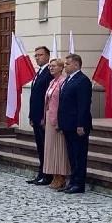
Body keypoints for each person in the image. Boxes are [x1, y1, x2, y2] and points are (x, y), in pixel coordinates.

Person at [58, 54, 92, 194]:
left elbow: (83, 105)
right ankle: (72, 181)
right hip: (67, 124)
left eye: (67, 64)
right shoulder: (68, 80)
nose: (65, 66)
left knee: (79, 154)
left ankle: (79, 183)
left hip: (77, 125)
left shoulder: (82, 80)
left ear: (76, 65)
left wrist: (80, 124)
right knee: (72, 155)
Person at [41, 58, 71, 190]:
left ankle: (61, 175)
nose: (51, 68)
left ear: (60, 67)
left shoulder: (63, 81)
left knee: (59, 149)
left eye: (53, 66)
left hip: (58, 119)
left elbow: (63, 103)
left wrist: (60, 120)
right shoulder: (52, 81)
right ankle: (53, 174)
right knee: (50, 148)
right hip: (49, 118)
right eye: (50, 67)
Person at [26, 46, 54, 185]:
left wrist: (43, 116)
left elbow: (47, 98)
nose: (37, 58)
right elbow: (34, 97)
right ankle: (41, 173)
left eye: (40, 55)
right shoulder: (39, 73)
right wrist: (31, 116)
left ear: (48, 56)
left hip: (43, 117)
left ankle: (47, 175)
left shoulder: (49, 73)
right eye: (36, 55)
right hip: (36, 116)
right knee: (39, 146)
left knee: (44, 146)